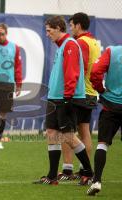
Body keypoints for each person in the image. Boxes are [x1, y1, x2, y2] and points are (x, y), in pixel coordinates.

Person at [33, 16, 93, 185]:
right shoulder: (61, 46)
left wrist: (67, 98)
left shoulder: (70, 45)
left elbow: (72, 73)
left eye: (49, 30)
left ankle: (89, 172)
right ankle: (52, 176)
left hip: (65, 99)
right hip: (55, 98)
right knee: (52, 134)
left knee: (68, 136)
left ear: (59, 28)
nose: (47, 34)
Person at [58, 12, 101, 181]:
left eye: (71, 25)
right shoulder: (94, 42)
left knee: (66, 131)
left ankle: (68, 170)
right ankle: (85, 171)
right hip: (91, 92)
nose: (70, 28)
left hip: (79, 92)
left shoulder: (80, 42)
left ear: (78, 25)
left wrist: (69, 91)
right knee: (85, 131)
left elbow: (78, 68)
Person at [87, 46, 122, 195]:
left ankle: (97, 181)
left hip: (111, 105)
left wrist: (100, 89)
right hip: (111, 104)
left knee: (102, 144)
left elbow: (95, 72)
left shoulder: (112, 51)